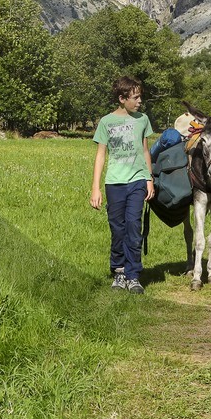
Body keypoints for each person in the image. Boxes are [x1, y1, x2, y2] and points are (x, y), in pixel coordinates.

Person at [90, 75, 155, 295]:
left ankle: (133, 275)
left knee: (134, 227)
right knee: (117, 229)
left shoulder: (143, 119)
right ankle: (119, 271)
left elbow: (145, 150)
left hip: (137, 180)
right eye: (135, 97)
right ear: (122, 98)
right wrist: (96, 188)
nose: (139, 101)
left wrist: (149, 179)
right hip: (114, 183)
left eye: (140, 97)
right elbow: (100, 155)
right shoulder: (106, 122)